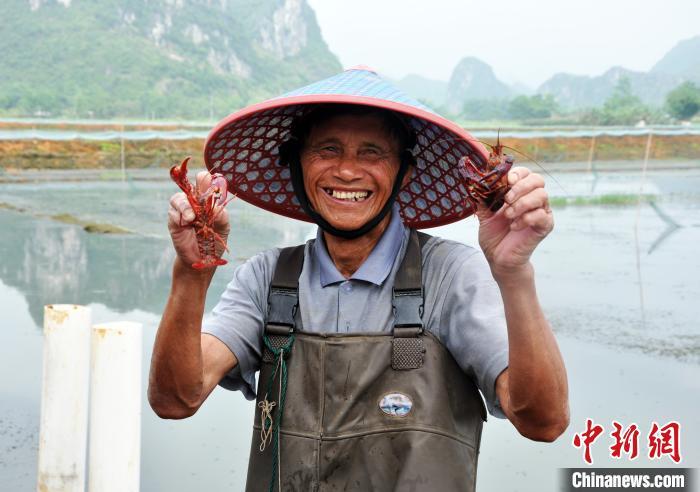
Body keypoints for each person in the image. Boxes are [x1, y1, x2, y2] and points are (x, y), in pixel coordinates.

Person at [149, 67, 569, 491]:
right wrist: (191, 273)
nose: (347, 172)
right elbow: (175, 399)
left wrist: (514, 274)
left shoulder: (450, 274)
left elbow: (544, 421)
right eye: (327, 150)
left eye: (372, 153)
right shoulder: (268, 279)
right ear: (296, 164)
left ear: (404, 171)